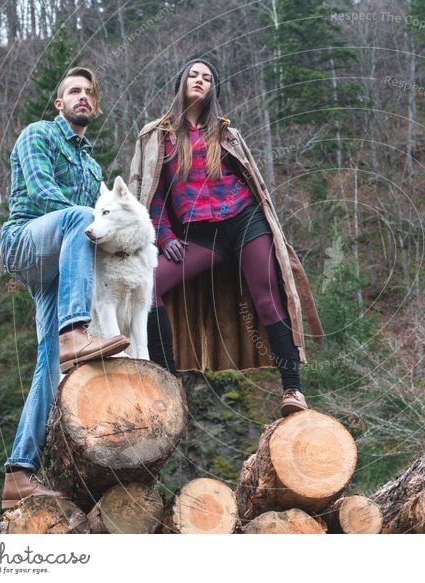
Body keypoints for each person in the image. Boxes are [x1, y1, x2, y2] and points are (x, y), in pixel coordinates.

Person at [128, 58, 324, 417]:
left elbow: (252, 183)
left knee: (267, 297)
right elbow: (151, 194)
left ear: (213, 88)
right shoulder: (157, 135)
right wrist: (164, 235)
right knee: (148, 284)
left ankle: (293, 390)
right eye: (194, 75)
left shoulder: (225, 133)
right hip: (200, 234)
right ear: (181, 82)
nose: (200, 80)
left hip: (245, 220)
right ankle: (169, 383)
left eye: (207, 77)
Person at [0, 67, 129, 507]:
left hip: (60, 271)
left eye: (90, 92)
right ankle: (75, 332)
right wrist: (95, 224)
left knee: (47, 365)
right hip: (25, 242)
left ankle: (18, 472)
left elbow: (99, 230)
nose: (83, 97)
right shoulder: (38, 134)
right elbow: (40, 193)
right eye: (74, 91)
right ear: (60, 103)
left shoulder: (93, 168)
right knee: (79, 218)